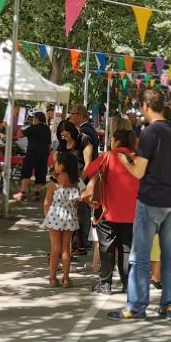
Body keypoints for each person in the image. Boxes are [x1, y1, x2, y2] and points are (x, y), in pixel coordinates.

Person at [109, 89, 171, 322]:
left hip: (151, 199)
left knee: (140, 256)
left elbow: (139, 171)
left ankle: (135, 306)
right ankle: (169, 304)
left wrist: (125, 160)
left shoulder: (150, 132)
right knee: (170, 255)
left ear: (145, 106)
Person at [83, 129, 141, 294]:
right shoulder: (137, 160)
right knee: (127, 248)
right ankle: (127, 284)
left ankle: (105, 283)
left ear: (116, 141)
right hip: (132, 213)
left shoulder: (108, 156)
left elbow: (88, 171)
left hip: (108, 212)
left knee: (106, 248)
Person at [43, 152, 82, 288]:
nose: (55, 165)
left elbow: (47, 203)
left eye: (57, 163)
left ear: (62, 165)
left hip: (55, 216)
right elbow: (77, 202)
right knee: (66, 248)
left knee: (55, 249)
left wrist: (47, 215)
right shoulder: (75, 183)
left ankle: (53, 278)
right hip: (70, 216)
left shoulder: (54, 183)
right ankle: (66, 278)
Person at [67, 105, 100, 254]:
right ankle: (81, 242)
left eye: (72, 113)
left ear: (81, 115)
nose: (70, 116)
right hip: (85, 176)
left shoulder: (85, 132)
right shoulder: (89, 129)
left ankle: (81, 243)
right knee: (81, 209)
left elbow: (87, 161)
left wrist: (80, 180)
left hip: (84, 176)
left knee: (81, 210)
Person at [15, 111, 51, 202]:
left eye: (34, 118)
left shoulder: (33, 127)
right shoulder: (47, 129)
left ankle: (22, 193)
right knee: (40, 173)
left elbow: (20, 135)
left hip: (32, 152)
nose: (33, 120)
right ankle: (37, 194)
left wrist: (20, 127)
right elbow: (49, 144)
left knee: (26, 171)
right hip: (43, 154)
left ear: (37, 119)